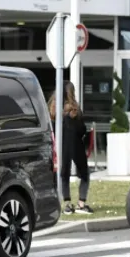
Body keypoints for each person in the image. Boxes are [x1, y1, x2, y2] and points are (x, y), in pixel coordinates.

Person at [48, 81, 93, 215]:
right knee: (84, 174)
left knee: (64, 174)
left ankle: (67, 205)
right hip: (75, 144)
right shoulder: (74, 109)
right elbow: (82, 129)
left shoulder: (53, 108)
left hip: (60, 145)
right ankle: (81, 204)